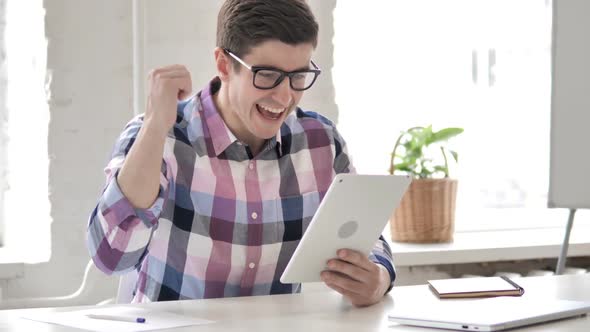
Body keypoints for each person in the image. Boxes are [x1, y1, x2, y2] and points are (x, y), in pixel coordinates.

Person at [87, 0, 395, 307]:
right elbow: (111, 257)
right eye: (267, 75)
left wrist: (378, 277)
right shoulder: (162, 136)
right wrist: (155, 127)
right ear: (224, 65)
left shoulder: (321, 142)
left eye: (298, 76)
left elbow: (367, 240)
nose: (285, 96)